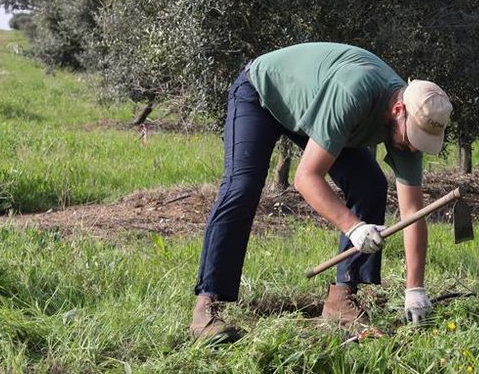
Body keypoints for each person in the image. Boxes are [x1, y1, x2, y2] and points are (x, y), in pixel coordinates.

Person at [189, 42, 453, 342]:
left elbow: (412, 215)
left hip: (314, 111)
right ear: (398, 109)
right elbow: (306, 178)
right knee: (242, 187)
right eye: (413, 136)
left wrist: (415, 289)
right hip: (261, 93)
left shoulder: (411, 127)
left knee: (370, 184)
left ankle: (341, 300)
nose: (412, 145)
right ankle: (206, 308)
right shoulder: (353, 92)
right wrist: (354, 227)